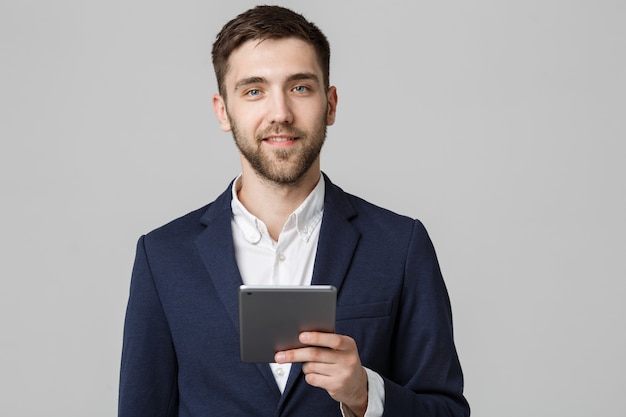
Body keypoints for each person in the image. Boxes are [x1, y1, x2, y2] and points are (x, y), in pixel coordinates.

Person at [118, 5, 470, 417]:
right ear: (222, 111)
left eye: (300, 87)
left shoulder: (400, 245)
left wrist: (364, 393)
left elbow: (447, 412)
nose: (280, 113)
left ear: (331, 104)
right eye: (254, 90)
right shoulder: (163, 257)